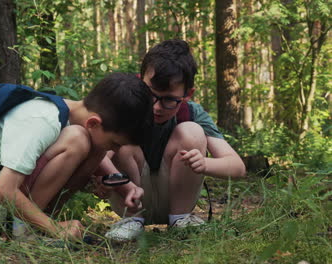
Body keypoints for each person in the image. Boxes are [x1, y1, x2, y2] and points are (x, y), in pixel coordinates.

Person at [0, 72, 152, 241]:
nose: (115, 150)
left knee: (96, 148)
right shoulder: (44, 118)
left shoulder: (77, 118)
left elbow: (98, 153)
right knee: (78, 139)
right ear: (93, 123)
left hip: (18, 198)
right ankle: (25, 232)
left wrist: (126, 188)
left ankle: (38, 226)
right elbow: (3, 191)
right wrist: (56, 228)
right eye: (115, 143)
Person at [102, 39, 247, 241]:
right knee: (124, 140)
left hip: (175, 196)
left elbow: (237, 167)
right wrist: (114, 180)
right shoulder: (125, 108)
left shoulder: (193, 113)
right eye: (150, 95)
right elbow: (100, 156)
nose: (156, 107)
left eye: (169, 99)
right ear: (139, 81)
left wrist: (204, 163)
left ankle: (181, 220)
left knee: (192, 131)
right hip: (129, 197)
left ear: (187, 94)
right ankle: (131, 220)